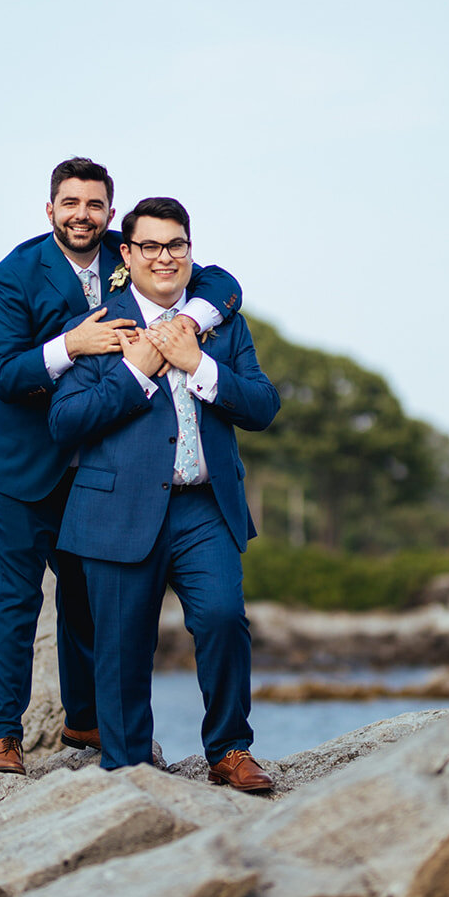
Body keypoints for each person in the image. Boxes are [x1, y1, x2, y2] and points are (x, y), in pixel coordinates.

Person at [0, 160, 243, 775]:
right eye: (70, 204)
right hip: (19, 460)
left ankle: (85, 716)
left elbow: (223, 284)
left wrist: (191, 322)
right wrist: (73, 346)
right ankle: (2, 733)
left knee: (88, 594)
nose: (81, 215)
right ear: (49, 211)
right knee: (16, 594)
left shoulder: (129, 255)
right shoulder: (12, 277)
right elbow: (4, 375)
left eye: (94, 205)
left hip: (95, 461)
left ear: (110, 215)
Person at [48, 196, 280, 792]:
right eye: (149, 245)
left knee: (225, 618)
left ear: (189, 250)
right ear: (126, 253)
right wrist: (136, 372)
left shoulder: (220, 324)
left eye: (176, 244)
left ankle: (229, 749)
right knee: (123, 645)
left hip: (204, 505)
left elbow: (262, 405)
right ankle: (128, 768)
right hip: (116, 507)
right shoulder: (98, 321)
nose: (164, 256)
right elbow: (65, 421)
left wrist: (198, 364)